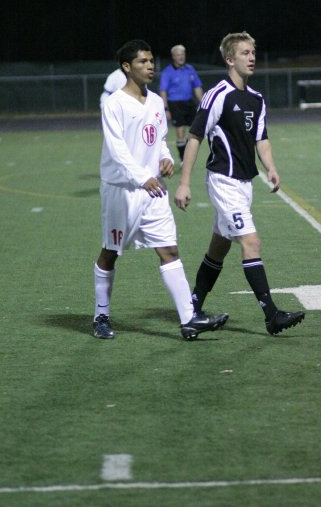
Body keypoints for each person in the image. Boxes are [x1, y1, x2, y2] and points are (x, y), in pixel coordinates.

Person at [93, 39, 228, 340]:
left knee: (169, 249)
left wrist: (166, 159)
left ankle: (188, 320)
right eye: (142, 61)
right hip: (122, 190)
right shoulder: (114, 104)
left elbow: (159, 140)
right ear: (127, 67)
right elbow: (117, 150)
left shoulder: (155, 101)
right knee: (111, 252)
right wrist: (143, 176)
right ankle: (100, 315)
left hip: (152, 190)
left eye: (152, 60)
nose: (150, 66)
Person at [174, 31, 305, 336]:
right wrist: (184, 183)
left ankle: (192, 308)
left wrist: (270, 167)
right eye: (245, 53)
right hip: (223, 181)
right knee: (251, 242)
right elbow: (194, 137)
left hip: (244, 185)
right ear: (230, 59)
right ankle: (271, 315)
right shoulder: (218, 94)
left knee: (218, 248)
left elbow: (262, 139)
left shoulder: (256, 99)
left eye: (253, 52)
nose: (252, 57)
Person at [159, 44, 203, 163]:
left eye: (182, 54)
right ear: (173, 57)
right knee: (180, 132)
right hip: (175, 104)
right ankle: (183, 158)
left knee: (195, 130)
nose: (181, 57)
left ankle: (189, 154)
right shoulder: (167, 72)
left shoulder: (190, 69)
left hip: (189, 102)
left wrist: (204, 103)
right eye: (178, 55)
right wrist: (166, 108)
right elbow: (163, 91)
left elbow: (197, 87)